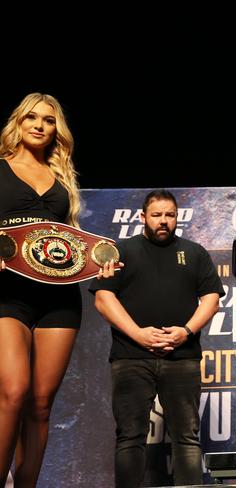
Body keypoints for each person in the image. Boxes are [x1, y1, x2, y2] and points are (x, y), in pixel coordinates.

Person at [0, 92, 113, 486]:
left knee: (41, 406)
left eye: (48, 120)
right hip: (6, 295)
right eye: (31, 117)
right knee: (13, 393)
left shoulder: (63, 179)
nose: (39, 125)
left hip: (58, 299)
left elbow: (70, 239)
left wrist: (99, 262)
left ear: (56, 131)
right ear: (18, 122)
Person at [89, 189, 224, 487]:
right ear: (142, 217)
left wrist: (185, 332)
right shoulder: (120, 251)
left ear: (177, 218)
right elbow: (102, 298)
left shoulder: (194, 252)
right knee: (129, 437)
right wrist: (139, 334)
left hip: (182, 357)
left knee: (187, 438)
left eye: (170, 215)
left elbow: (212, 299)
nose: (163, 221)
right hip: (130, 357)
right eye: (156, 215)